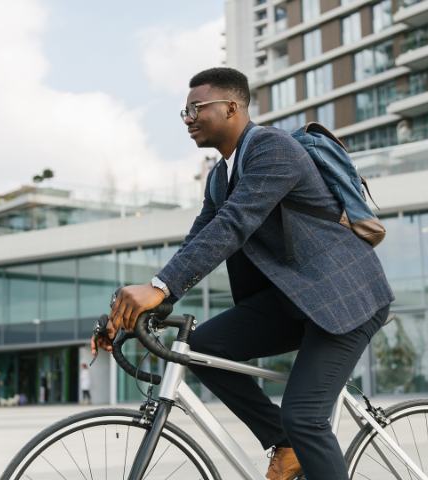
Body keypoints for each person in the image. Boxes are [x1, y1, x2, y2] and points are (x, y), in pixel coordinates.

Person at [94, 67, 393, 480]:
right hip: (292, 300)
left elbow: (234, 225)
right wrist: (147, 305)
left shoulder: (274, 148)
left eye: (196, 108)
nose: (188, 119)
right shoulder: (220, 177)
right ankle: (285, 444)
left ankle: (296, 436)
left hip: (344, 297)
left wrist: (159, 287)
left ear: (232, 107)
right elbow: (199, 241)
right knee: (202, 348)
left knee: (305, 415)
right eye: (184, 111)